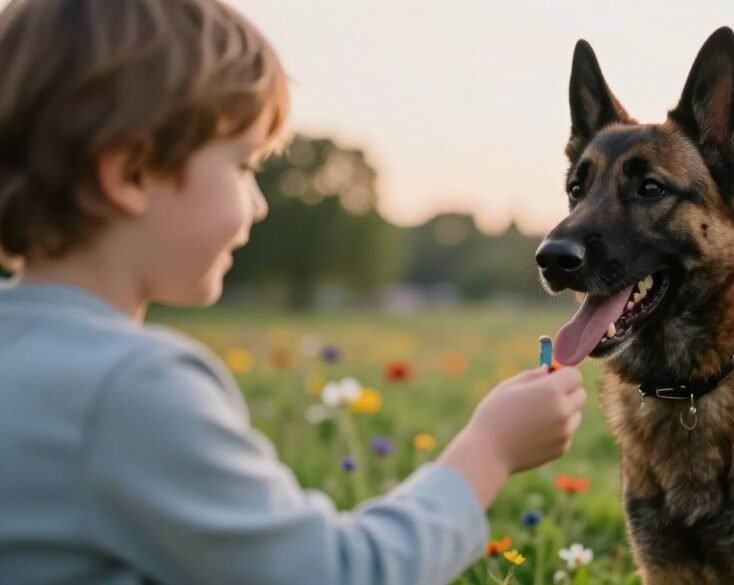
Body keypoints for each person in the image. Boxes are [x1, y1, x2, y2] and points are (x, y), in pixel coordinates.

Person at [0, 1, 587, 583]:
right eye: (244, 166)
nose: (258, 204)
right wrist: (489, 450)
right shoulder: (130, 387)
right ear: (130, 174)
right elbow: (335, 574)